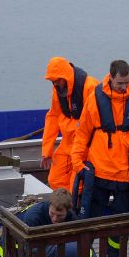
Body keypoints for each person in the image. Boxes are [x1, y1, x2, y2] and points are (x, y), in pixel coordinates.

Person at [71, 60, 129, 257]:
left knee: (120, 219)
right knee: (89, 216)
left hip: (126, 173)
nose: (124, 87)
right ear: (110, 77)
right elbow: (82, 134)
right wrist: (78, 163)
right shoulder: (94, 99)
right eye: (120, 83)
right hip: (99, 170)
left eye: (126, 82)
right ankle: (83, 256)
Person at [41, 57, 99, 192]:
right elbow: (53, 117)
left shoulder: (90, 86)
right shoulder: (58, 89)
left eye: (57, 80)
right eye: (52, 81)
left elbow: (97, 121)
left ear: (66, 76)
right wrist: (47, 151)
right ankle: (64, 208)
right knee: (54, 180)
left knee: (76, 184)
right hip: (67, 143)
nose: (55, 83)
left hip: (84, 145)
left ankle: (75, 210)